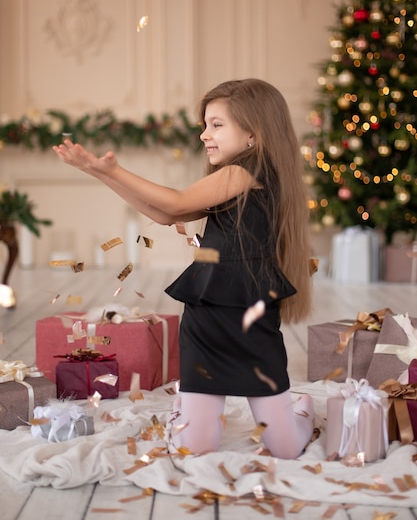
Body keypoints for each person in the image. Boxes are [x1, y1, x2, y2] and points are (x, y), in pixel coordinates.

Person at [52, 78, 315, 459]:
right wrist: (101, 173)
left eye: (217, 124)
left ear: (254, 134)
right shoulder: (230, 176)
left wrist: (115, 169)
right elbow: (163, 214)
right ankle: (189, 411)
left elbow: (174, 204)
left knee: (285, 449)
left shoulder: (246, 172)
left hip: (251, 317)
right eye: (205, 125)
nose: (204, 135)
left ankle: (300, 411)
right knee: (195, 448)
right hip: (208, 320)